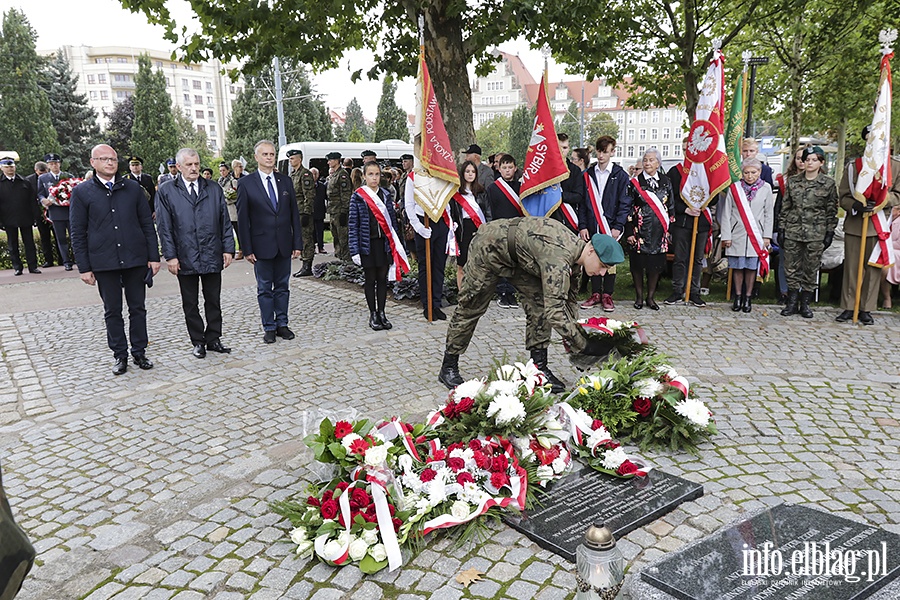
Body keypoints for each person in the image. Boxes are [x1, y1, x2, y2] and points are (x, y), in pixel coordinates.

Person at [439, 217, 625, 394]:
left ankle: (538, 368)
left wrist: (577, 346)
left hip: (521, 258)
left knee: (540, 306)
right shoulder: (558, 258)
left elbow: (568, 302)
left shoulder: (576, 259)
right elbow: (556, 312)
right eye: (602, 266)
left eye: (606, 270)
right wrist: (585, 345)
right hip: (490, 247)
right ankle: (448, 366)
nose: (602, 273)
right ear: (591, 250)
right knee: (471, 306)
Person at [70, 144, 160, 375]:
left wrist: (153, 256)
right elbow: (78, 232)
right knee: (112, 310)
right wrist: (84, 267)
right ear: (93, 162)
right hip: (104, 261)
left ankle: (139, 351)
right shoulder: (82, 192)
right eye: (104, 159)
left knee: (137, 308)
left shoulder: (133, 189)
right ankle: (120, 354)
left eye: (113, 159)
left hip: (135, 259)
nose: (110, 163)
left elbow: (147, 224)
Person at [155, 147, 235, 358]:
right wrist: (170, 256)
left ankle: (214, 338)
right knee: (190, 302)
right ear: (179, 166)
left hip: (211, 251)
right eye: (189, 165)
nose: (194, 168)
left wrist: (228, 248)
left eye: (197, 164)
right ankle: (197, 340)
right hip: (184, 255)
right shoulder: (167, 191)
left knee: (213, 299)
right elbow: (165, 227)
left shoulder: (213, 188)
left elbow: (224, 222)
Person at [236, 140, 302, 343]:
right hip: (261, 246)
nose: (269, 157)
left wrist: (297, 243)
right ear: (256, 158)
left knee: (282, 286)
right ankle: (269, 327)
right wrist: (246, 249)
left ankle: (282, 324)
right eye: (265, 154)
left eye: (272, 154)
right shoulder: (246, 183)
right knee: (265, 288)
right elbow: (242, 218)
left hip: (284, 244)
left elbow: (294, 215)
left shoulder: (285, 181)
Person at [835, 128, 900, 325]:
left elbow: (898, 193)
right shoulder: (854, 166)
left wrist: (884, 200)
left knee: (873, 268)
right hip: (856, 223)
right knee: (852, 268)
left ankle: (866, 308)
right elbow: (843, 195)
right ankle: (849, 306)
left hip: (879, 224)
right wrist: (854, 205)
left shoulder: (895, 166)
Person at [779, 146, 838, 319]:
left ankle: (805, 303)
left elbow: (831, 210)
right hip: (793, 230)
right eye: (807, 160)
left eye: (814, 160)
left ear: (821, 162)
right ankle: (792, 301)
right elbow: (786, 207)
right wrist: (782, 228)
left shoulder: (828, 183)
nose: (810, 163)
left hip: (816, 232)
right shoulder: (793, 181)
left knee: (811, 269)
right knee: (791, 268)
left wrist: (829, 233)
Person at [349, 162, 409, 330]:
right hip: (367, 244)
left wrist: (397, 245)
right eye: (370, 174)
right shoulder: (358, 196)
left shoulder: (385, 194)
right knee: (370, 279)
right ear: (364, 176)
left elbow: (392, 225)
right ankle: (373, 313)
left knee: (382, 279)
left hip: (383, 244)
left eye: (377, 174)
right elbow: (353, 224)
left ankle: (382, 312)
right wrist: (355, 250)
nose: (374, 178)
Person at [579, 135, 630, 312]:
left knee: (609, 259)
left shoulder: (620, 175)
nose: (601, 155)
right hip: (593, 224)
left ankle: (607, 294)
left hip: (611, 224)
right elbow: (583, 203)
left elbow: (625, 203)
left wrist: (618, 226)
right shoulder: (588, 174)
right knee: (594, 256)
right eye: (599, 151)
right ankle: (595, 293)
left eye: (605, 152)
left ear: (613, 152)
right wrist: (583, 225)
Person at [665, 136, 716, 307]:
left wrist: (703, 205)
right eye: (685, 149)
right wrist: (683, 209)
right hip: (682, 222)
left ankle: (694, 291)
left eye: (691, 149)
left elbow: (714, 196)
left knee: (697, 259)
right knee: (680, 258)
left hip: (700, 223)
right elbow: (669, 197)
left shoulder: (705, 173)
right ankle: (677, 290)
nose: (688, 152)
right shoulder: (675, 171)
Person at [719, 158, 774, 313]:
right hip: (737, 233)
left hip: (756, 235)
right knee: (737, 266)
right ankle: (737, 296)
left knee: (750, 267)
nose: (750, 176)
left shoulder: (766, 188)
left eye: (753, 172)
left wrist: (766, 236)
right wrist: (726, 235)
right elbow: (727, 213)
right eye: (746, 172)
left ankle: (748, 297)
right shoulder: (735, 188)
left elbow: (769, 213)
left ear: (759, 172)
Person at [625, 148, 675, 310]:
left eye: (651, 160)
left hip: (659, 231)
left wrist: (669, 230)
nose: (647, 163)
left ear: (658, 163)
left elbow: (671, 207)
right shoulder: (635, 183)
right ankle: (639, 297)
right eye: (645, 160)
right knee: (638, 265)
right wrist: (629, 231)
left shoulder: (666, 181)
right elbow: (627, 208)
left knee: (655, 266)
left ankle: (650, 298)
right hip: (639, 231)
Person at [405, 169, 453, 321]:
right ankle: (427, 304)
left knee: (439, 265)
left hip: (441, 221)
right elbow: (409, 204)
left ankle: (437, 304)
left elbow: (446, 199)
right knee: (425, 266)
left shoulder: (442, 172)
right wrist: (418, 227)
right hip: (423, 222)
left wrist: (450, 222)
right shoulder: (414, 176)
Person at [485, 153, 523, 308]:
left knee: (515, 262)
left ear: (515, 169)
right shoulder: (493, 188)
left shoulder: (521, 187)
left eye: (510, 167)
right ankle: (502, 292)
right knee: (502, 262)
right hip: (500, 229)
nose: (507, 170)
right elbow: (490, 210)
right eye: (504, 167)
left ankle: (512, 293)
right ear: (498, 168)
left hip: (517, 229)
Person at [450, 160, 490, 291]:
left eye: (473, 171)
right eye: (467, 171)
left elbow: (488, 213)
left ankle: (476, 293)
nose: (470, 174)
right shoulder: (456, 193)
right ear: (462, 173)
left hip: (479, 229)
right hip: (463, 230)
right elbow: (453, 214)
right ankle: (462, 294)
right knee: (462, 264)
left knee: (478, 263)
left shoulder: (481, 191)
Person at [0, 156, 41, 276]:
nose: (10, 169)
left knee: (29, 243)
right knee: (13, 245)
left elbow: (32, 201)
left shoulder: (24, 181)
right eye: (7, 167)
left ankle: (33, 266)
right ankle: (17, 267)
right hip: (8, 218)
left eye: (12, 166)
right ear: (1, 168)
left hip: (25, 217)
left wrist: (36, 216)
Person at [38, 153, 75, 270]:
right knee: (61, 239)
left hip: (70, 211)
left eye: (56, 163)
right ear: (48, 166)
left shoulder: (68, 176)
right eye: (51, 164)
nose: (54, 166)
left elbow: (76, 190)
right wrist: (43, 200)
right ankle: (67, 262)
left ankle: (79, 259)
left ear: (60, 164)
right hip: (55, 212)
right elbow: (39, 193)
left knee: (75, 237)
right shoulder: (43, 178)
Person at [286, 149, 317, 278]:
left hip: (303, 211)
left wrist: (306, 212)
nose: (290, 161)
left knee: (306, 238)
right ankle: (303, 263)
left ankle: (307, 265)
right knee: (299, 237)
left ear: (299, 159)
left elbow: (309, 195)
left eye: (292, 158)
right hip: (295, 211)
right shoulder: (293, 174)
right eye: (290, 159)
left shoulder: (305, 175)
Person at [553, 133, 586, 234]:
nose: (562, 150)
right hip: (549, 220)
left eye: (565, 147)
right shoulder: (545, 170)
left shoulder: (575, 170)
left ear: (568, 149)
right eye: (559, 147)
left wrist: (558, 196)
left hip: (568, 220)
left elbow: (579, 195)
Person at [27, 161, 57, 267]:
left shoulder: (51, 178)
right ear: (36, 171)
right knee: (45, 238)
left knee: (58, 236)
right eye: (41, 173)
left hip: (53, 211)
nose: (43, 176)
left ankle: (62, 259)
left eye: (45, 172)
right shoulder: (29, 181)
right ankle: (48, 260)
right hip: (39, 213)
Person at [326, 151, 352, 262]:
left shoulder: (342, 175)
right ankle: (339, 258)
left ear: (337, 161)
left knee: (343, 238)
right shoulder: (334, 174)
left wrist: (343, 211)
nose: (328, 162)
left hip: (339, 211)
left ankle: (346, 261)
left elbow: (345, 194)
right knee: (336, 236)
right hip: (333, 210)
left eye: (330, 160)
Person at [218, 162, 241, 259]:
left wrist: (227, 199)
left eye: (224, 170)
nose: (222, 172)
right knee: (224, 231)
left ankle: (241, 250)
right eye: (220, 171)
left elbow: (236, 196)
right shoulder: (219, 182)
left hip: (232, 209)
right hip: (223, 210)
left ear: (228, 170)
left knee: (237, 230)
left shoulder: (232, 181)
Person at [311, 166, 328, 254]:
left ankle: (321, 247)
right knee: (311, 231)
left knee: (320, 230)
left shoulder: (322, 186)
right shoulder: (307, 186)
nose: (314, 176)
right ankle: (312, 248)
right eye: (312, 174)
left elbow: (326, 197)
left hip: (320, 211)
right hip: (310, 212)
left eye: (315, 174)